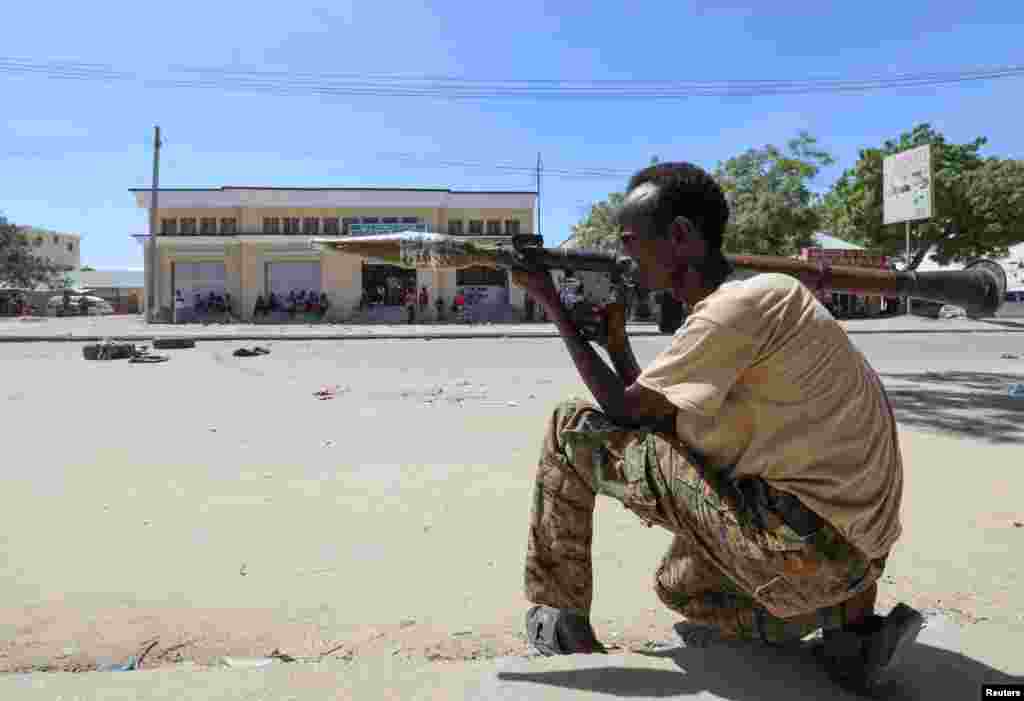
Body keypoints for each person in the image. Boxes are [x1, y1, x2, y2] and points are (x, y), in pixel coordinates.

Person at [510, 162, 922, 697]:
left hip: (798, 548)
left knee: (571, 427)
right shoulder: (772, 295)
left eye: (633, 242)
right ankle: (850, 633)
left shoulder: (731, 310)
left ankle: (562, 621)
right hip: (854, 556)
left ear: (681, 236)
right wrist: (615, 344)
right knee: (678, 587)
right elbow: (663, 415)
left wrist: (553, 309)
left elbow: (625, 410)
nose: (626, 258)